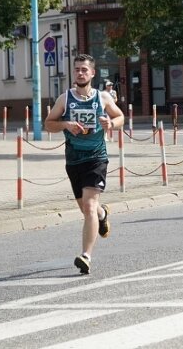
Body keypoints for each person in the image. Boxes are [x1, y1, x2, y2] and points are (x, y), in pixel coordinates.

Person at [45, 54, 125, 275]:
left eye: (84, 70)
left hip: (96, 158)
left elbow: (120, 118)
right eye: (77, 69)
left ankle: (86, 256)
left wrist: (110, 123)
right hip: (73, 160)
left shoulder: (103, 98)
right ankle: (102, 215)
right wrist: (65, 124)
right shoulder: (65, 99)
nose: (80, 73)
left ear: (92, 73)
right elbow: (49, 124)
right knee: (86, 209)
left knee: (88, 205)